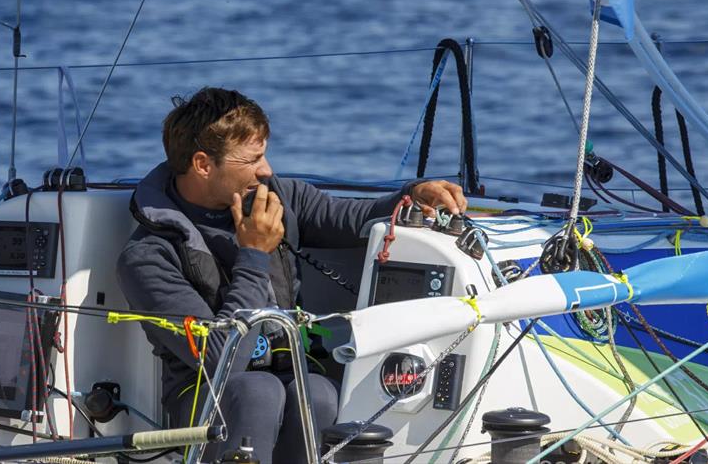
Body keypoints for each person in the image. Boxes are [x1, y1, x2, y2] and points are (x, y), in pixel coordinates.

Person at [116, 87, 467, 463]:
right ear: (203, 164)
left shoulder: (278, 197)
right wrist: (254, 254)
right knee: (258, 390)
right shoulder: (148, 257)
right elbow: (222, 363)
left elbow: (348, 218)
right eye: (253, 160)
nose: (265, 170)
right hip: (202, 398)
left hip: (290, 371)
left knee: (317, 392)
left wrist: (413, 196)